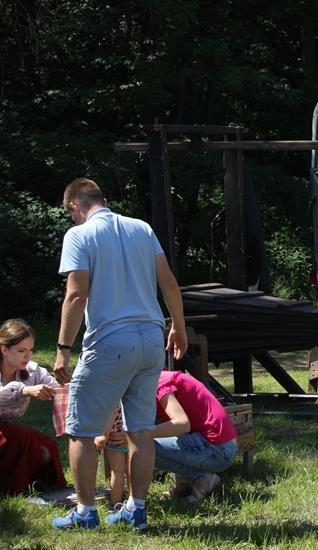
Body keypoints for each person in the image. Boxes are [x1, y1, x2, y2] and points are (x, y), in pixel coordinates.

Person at [51, 178, 188, 531]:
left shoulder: (79, 235)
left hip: (111, 341)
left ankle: (84, 513)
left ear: (74, 208)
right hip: (151, 338)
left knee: (81, 430)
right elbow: (169, 282)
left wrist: (63, 349)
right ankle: (136, 509)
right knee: (140, 429)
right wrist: (179, 326)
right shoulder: (141, 228)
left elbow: (76, 295)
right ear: (104, 200)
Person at [0, 319, 66, 495]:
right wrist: (25, 390)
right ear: (4, 349)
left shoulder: (33, 371)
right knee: (23, 436)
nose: (27, 356)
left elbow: (58, 388)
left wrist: (74, 386)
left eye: (30, 350)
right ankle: (11, 487)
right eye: (21, 351)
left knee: (47, 448)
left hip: (6, 430)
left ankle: (33, 487)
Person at [151, 370, 238, 504]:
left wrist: (140, 434)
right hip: (221, 444)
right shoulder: (159, 378)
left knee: (141, 444)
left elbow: (182, 424)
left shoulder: (159, 384)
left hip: (218, 450)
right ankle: (184, 483)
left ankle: (202, 478)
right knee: (150, 431)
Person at [94, 407, 128, 508]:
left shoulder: (112, 394)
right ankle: (134, 501)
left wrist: (104, 435)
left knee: (117, 471)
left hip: (115, 434)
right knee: (131, 470)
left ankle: (115, 503)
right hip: (131, 432)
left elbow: (112, 412)